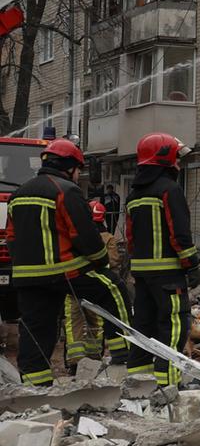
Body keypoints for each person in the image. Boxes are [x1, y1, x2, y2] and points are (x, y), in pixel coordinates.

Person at [8, 140, 132, 387]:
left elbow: (11, 237)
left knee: (36, 329)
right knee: (114, 289)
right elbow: (84, 236)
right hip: (65, 270)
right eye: (78, 169)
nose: (78, 174)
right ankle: (124, 353)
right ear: (70, 167)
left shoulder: (17, 194)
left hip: (27, 277)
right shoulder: (66, 190)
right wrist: (101, 261)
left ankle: (36, 386)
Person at [124, 133, 200, 387]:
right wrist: (192, 265)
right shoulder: (169, 190)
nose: (178, 164)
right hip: (168, 274)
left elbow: (130, 237)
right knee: (174, 327)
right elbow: (179, 233)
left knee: (143, 326)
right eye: (176, 159)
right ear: (166, 159)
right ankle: (168, 387)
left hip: (142, 275)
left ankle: (138, 385)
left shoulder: (134, 195)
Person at [63, 199, 127, 367]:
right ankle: (93, 358)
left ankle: (75, 360)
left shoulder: (77, 234)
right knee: (96, 321)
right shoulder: (108, 237)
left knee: (73, 321)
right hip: (99, 286)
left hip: (75, 282)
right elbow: (114, 261)